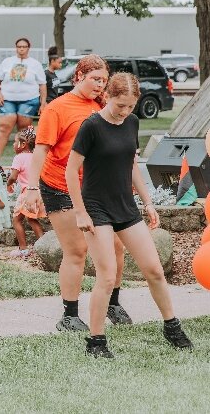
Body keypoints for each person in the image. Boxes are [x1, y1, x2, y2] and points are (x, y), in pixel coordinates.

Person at [66, 72, 192, 357]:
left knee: (154, 270)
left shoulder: (131, 122)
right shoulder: (91, 126)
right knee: (107, 276)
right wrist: (80, 213)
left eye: (130, 106)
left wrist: (147, 202)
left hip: (125, 206)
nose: (124, 111)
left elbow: (132, 164)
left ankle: (171, 326)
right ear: (108, 95)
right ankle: (96, 341)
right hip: (96, 209)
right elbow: (71, 171)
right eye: (120, 105)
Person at [22, 54, 133, 331]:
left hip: (97, 188)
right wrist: (32, 187)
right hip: (60, 186)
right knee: (77, 251)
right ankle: (69, 315)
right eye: (95, 79)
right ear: (77, 77)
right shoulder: (57, 109)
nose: (100, 85)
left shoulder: (103, 107)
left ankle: (112, 303)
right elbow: (41, 150)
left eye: (104, 81)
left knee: (117, 247)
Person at [0, 38, 47, 157]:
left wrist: (43, 103)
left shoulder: (35, 64)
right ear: (16, 48)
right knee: (4, 126)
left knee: (24, 130)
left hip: (28, 100)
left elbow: (42, 84)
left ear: (28, 48)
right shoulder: (7, 62)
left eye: (24, 46)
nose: (21, 49)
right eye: (19, 46)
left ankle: (22, 161)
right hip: (7, 99)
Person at [6, 127, 45, 256]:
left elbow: (13, 176)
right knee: (32, 220)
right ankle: (43, 246)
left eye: (15, 141)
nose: (13, 144)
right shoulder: (36, 156)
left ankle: (23, 249)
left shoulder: (19, 157)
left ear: (23, 144)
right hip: (38, 192)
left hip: (27, 193)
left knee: (16, 220)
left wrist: (9, 184)